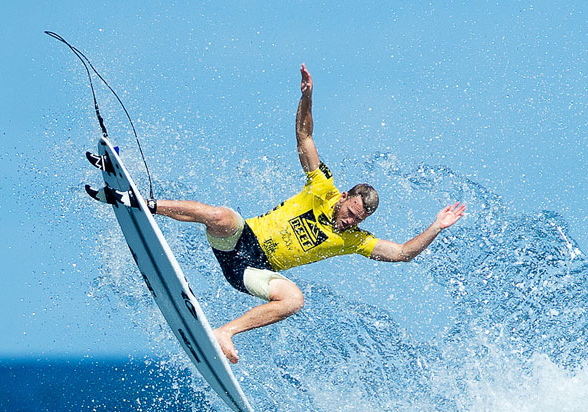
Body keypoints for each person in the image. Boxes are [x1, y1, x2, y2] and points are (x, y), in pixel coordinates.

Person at [86, 64, 466, 364]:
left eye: (358, 220)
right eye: (351, 211)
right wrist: (307, 97)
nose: (351, 221)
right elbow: (305, 136)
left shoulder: (354, 240)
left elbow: (401, 253)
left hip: (253, 270)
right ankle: (141, 203)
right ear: (345, 196)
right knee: (223, 216)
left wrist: (436, 226)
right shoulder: (322, 187)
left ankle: (225, 333)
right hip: (240, 239)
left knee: (294, 299)